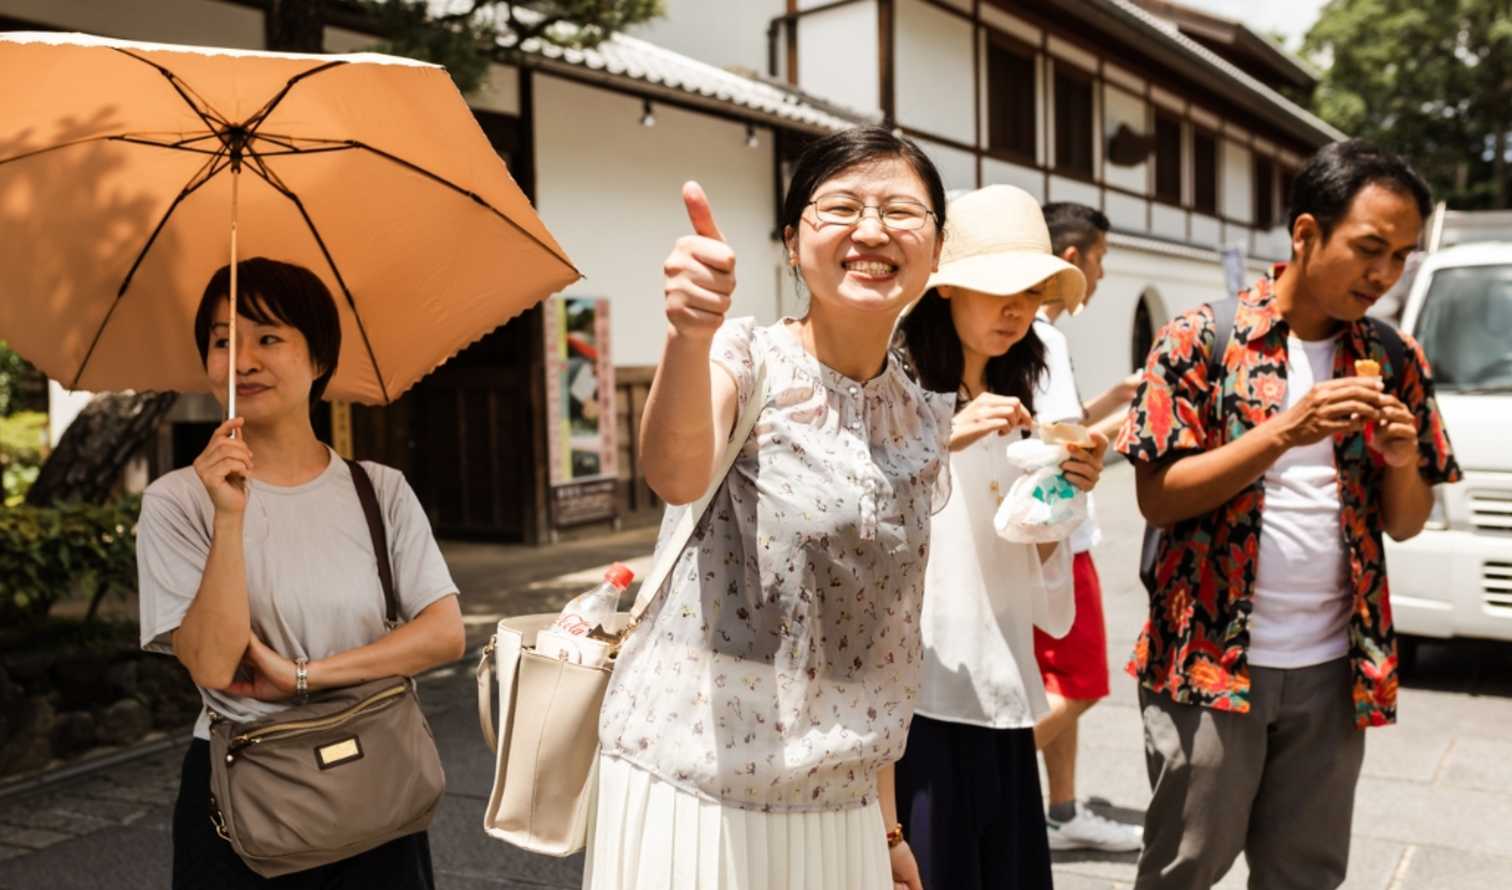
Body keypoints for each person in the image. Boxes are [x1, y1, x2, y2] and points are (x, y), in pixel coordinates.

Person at [584, 126, 954, 890]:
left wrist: (888, 830)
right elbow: (675, 472)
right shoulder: (743, 358)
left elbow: (880, 644)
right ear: (791, 242)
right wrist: (689, 336)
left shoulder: (918, 418)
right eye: (841, 207)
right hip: (698, 790)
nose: (872, 231)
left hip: (840, 802)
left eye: (900, 211)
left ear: (938, 248)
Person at [1118, 140, 1460, 889]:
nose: (1384, 274)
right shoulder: (1201, 337)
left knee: (1305, 875)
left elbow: (1406, 523)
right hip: (1208, 661)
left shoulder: (1393, 356)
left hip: (1334, 667)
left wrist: (1402, 460)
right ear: (1306, 233)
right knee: (1184, 868)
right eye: (1369, 248)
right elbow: (1158, 496)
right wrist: (1284, 431)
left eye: (1400, 256)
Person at [136, 258, 466, 889]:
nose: (242, 361)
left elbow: (443, 634)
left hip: (376, 776)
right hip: (245, 790)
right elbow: (212, 665)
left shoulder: (379, 490)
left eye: (268, 338)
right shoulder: (176, 502)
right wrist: (228, 515)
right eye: (222, 341)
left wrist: (304, 676)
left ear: (319, 360)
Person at [892, 184, 1108, 889]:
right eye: (996, 290)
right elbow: (863, 529)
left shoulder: (1023, 403)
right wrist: (941, 440)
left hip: (1004, 674)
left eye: (1030, 291)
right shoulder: (894, 391)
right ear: (947, 289)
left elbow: (1031, 562)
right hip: (918, 682)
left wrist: (1065, 491)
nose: (1015, 309)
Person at [1029, 202, 1145, 852]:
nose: (1100, 276)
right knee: (1081, 684)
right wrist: (1138, 418)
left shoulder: (1026, 331)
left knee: (1054, 682)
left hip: (1036, 538)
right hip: (1058, 537)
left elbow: (1056, 424)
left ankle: (1063, 810)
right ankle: (970, 777)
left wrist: (1115, 399)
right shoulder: (1044, 337)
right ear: (1071, 259)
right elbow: (1061, 446)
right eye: (1100, 260)